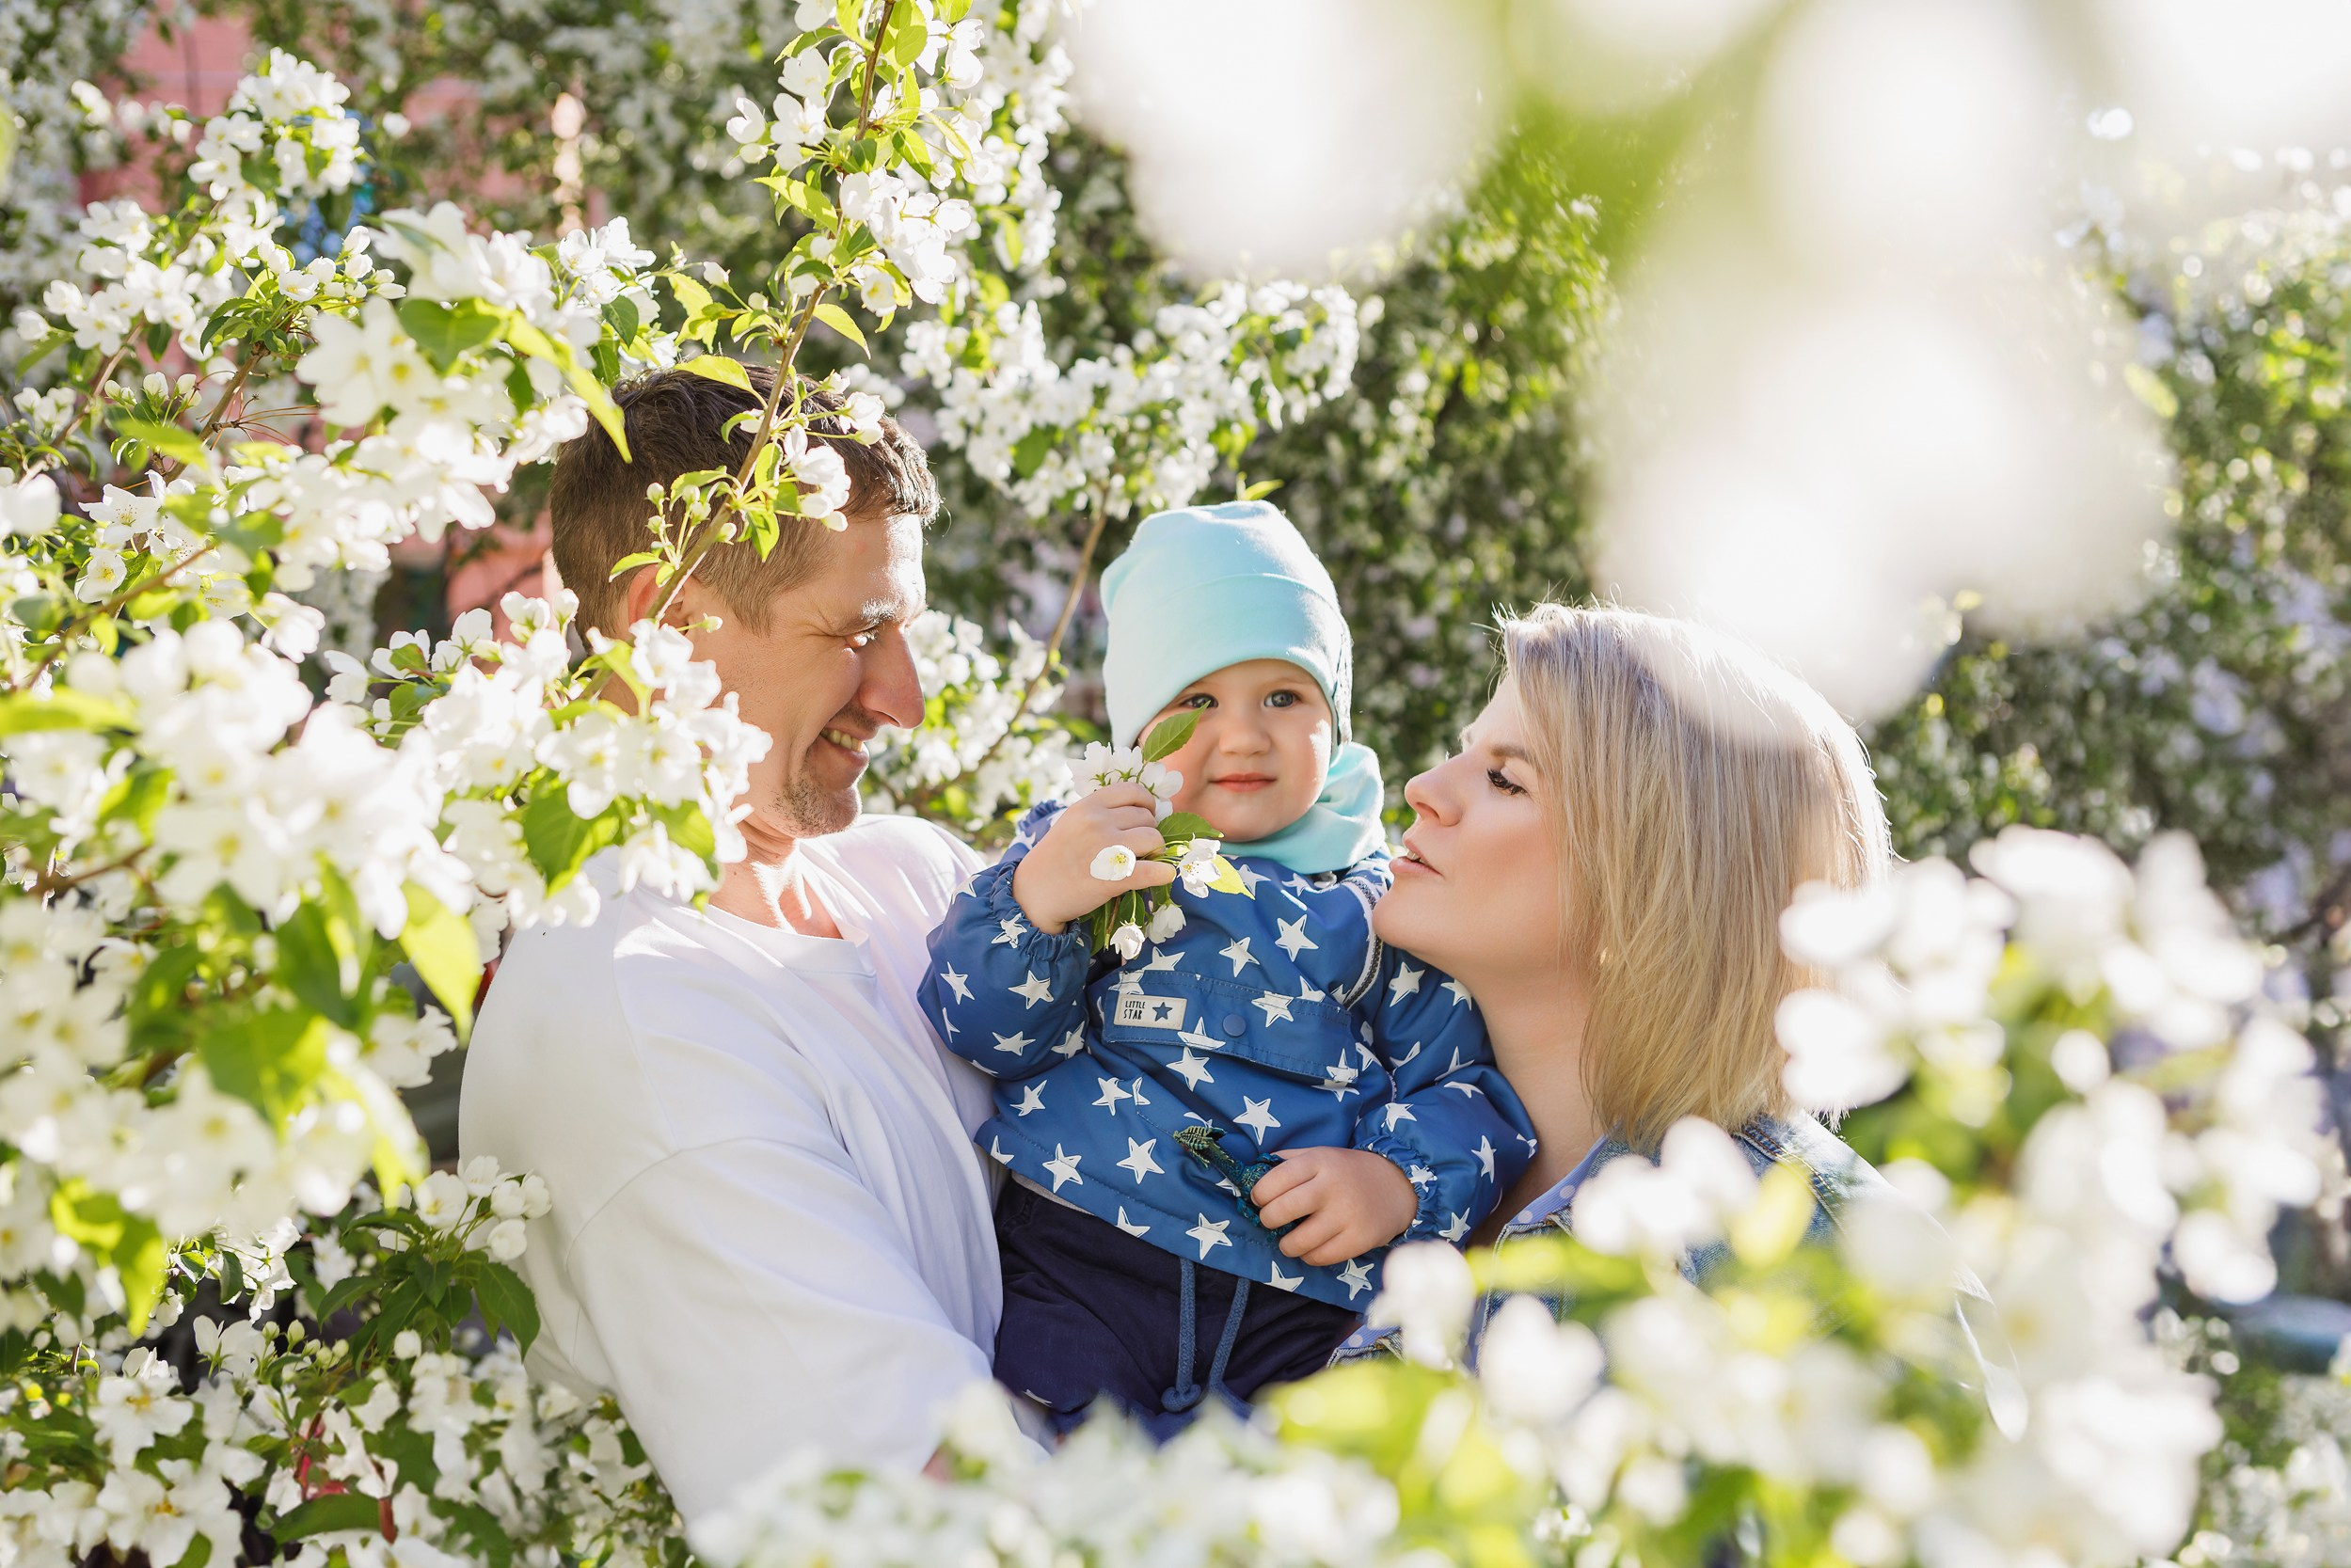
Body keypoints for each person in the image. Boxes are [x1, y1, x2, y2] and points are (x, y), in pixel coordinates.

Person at [459, 368, 1010, 1526]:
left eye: (901, 631)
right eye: (859, 632)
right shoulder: (635, 1016)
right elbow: (930, 1520)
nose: (905, 700)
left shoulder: (914, 878)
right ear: (667, 619)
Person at [918, 501, 1534, 1434]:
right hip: (1089, 1255)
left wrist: (1395, 1179)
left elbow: (1470, 1085)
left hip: (1295, 1306)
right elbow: (987, 1031)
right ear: (1139, 732)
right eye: (1197, 701)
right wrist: (1040, 900)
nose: (1244, 735)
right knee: (1058, 1493)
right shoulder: (1093, 847)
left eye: (1285, 697)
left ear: (1336, 714)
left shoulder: (1378, 900)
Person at [1364, 602, 1900, 1342]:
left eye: (1504, 779)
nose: (1423, 786)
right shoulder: (1334, 1111)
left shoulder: (1842, 1269)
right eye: (1463, 751)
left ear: (1652, 885)